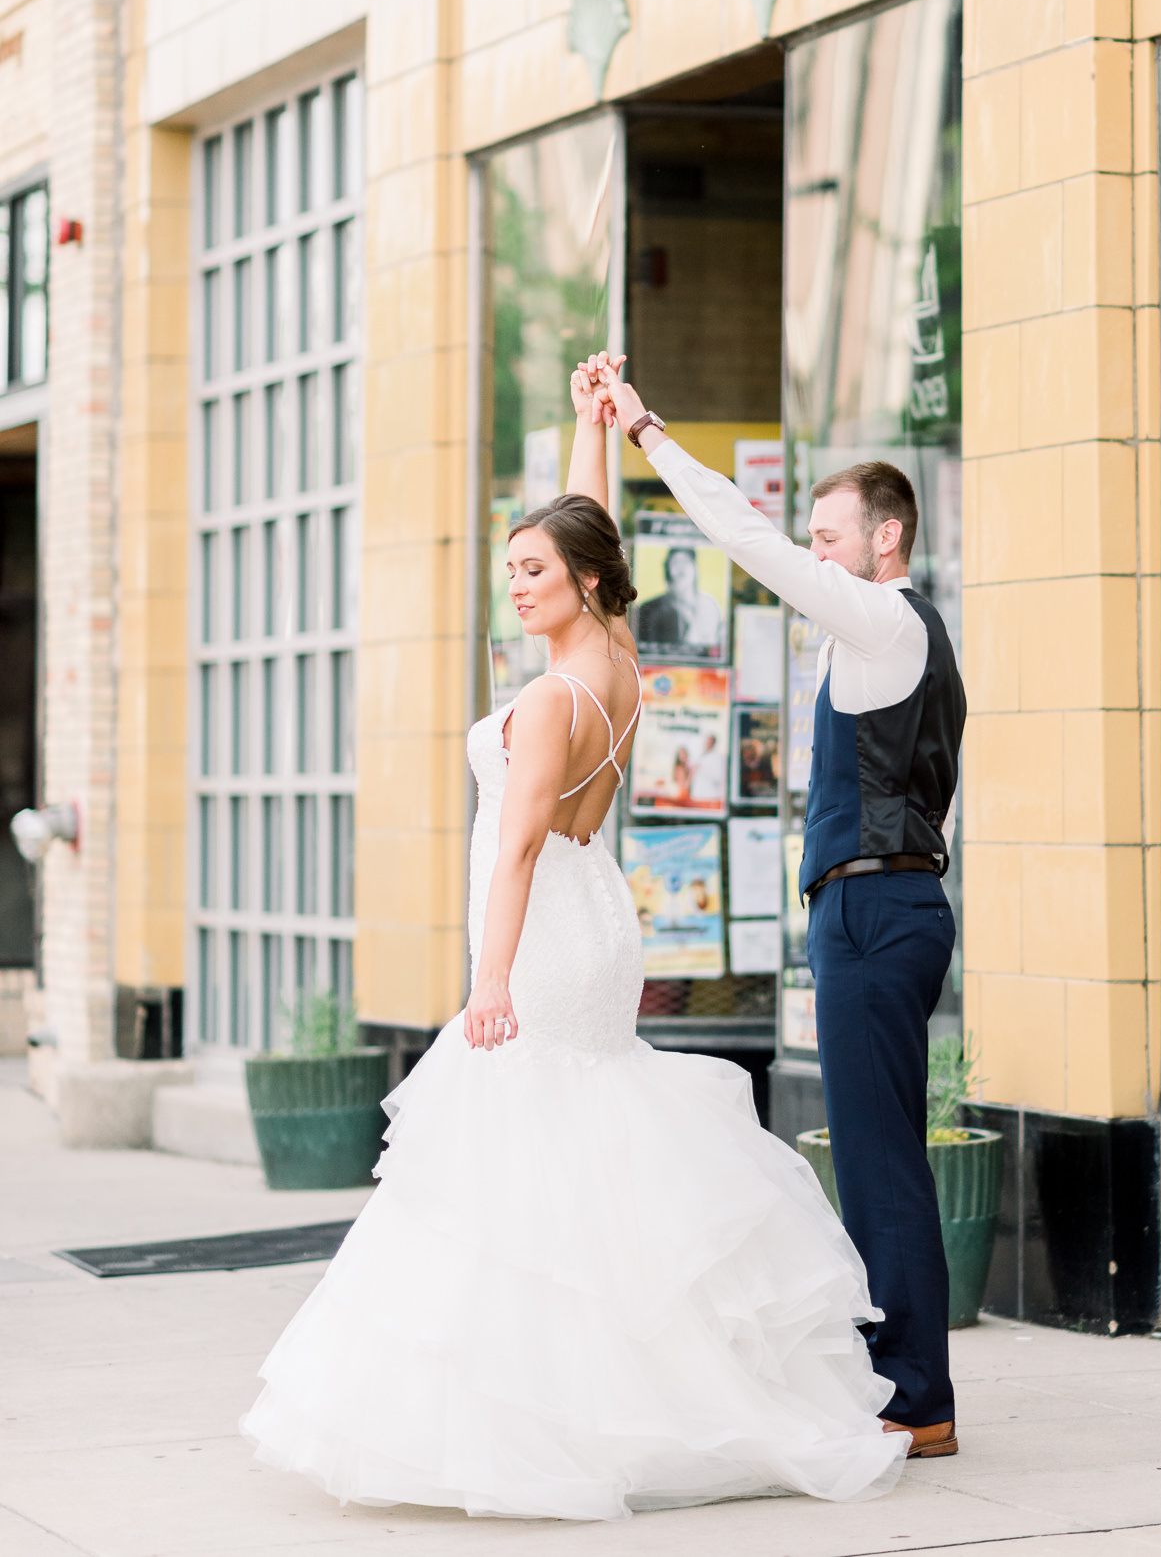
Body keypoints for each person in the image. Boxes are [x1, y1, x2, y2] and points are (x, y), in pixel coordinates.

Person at [240, 367, 909, 1520]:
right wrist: (594, 427)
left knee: (515, 1162)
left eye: (532, 570)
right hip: (595, 914)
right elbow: (582, 530)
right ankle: (631, 1382)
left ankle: (544, 1414)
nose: (516, 583)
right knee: (579, 1144)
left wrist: (484, 981)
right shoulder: (616, 660)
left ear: (583, 583)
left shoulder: (553, 701)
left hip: (545, 926)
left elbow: (511, 853)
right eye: (509, 569)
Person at [587, 353, 965, 1460]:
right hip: (883, 907)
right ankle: (904, 1380)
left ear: (884, 539)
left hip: (875, 914)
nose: (815, 551)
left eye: (830, 535)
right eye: (815, 536)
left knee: (879, 1157)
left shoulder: (887, 622)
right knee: (877, 1150)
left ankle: (915, 1395)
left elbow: (743, 541)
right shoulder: (888, 637)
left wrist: (646, 430)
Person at [636, 542, 726, 657]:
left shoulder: (709, 605)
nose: (680, 569)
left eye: (685, 562)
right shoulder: (650, 608)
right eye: (675, 563)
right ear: (667, 569)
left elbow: (714, 646)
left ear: (695, 568)